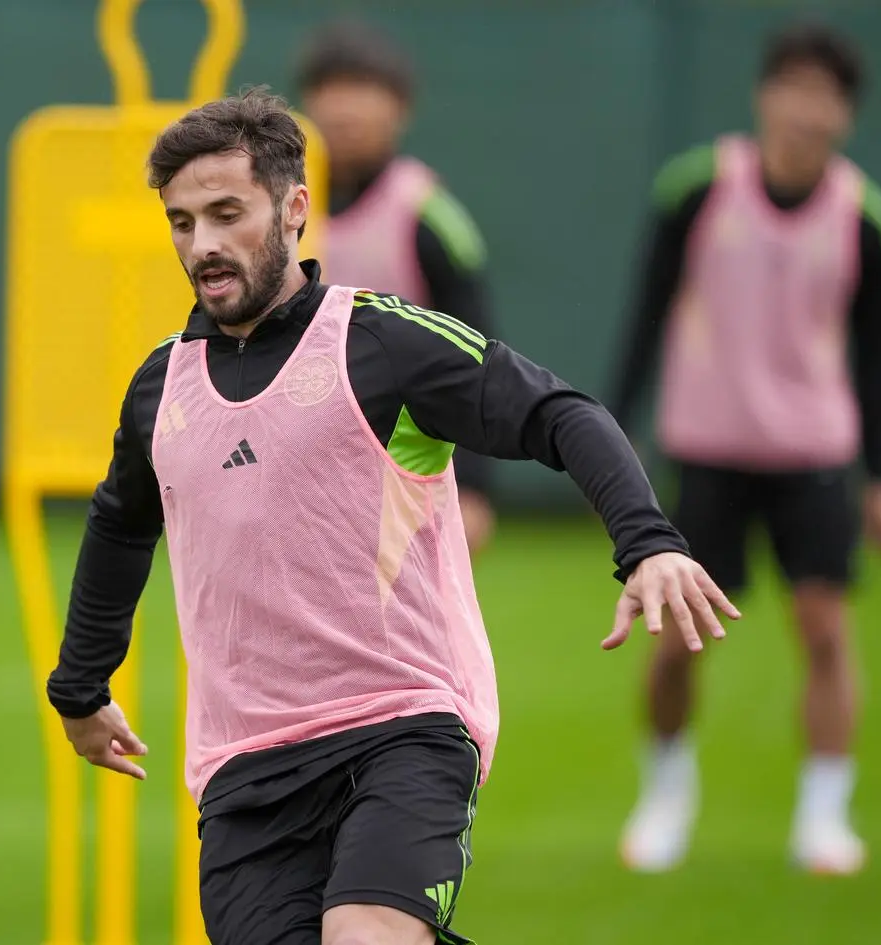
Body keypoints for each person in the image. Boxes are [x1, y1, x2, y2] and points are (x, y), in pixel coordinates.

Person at [47, 88, 737, 945]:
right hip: (243, 766)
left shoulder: (377, 343)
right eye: (183, 222)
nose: (204, 246)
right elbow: (120, 524)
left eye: (228, 213)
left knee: (369, 935)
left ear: (295, 208)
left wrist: (647, 544)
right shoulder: (160, 387)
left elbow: (561, 412)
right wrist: (80, 686)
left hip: (402, 724)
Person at [606, 22, 881, 876]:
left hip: (813, 455)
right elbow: (646, 308)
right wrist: (615, 425)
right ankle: (665, 795)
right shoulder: (699, 189)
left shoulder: (866, 219)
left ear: (846, 113)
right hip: (707, 450)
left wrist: (880, 474)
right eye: (794, 87)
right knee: (676, 641)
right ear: (764, 94)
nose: (807, 109)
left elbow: (876, 358)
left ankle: (823, 816)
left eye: (827, 95)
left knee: (824, 632)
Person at [292, 18, 500, 555]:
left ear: (400, 108)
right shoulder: (276, 209)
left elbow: (478, 351)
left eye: (363, 90)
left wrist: (475, 486)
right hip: (293, 463)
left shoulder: (427, 214)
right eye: (331, 90)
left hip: (403, 471)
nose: (343, 110)